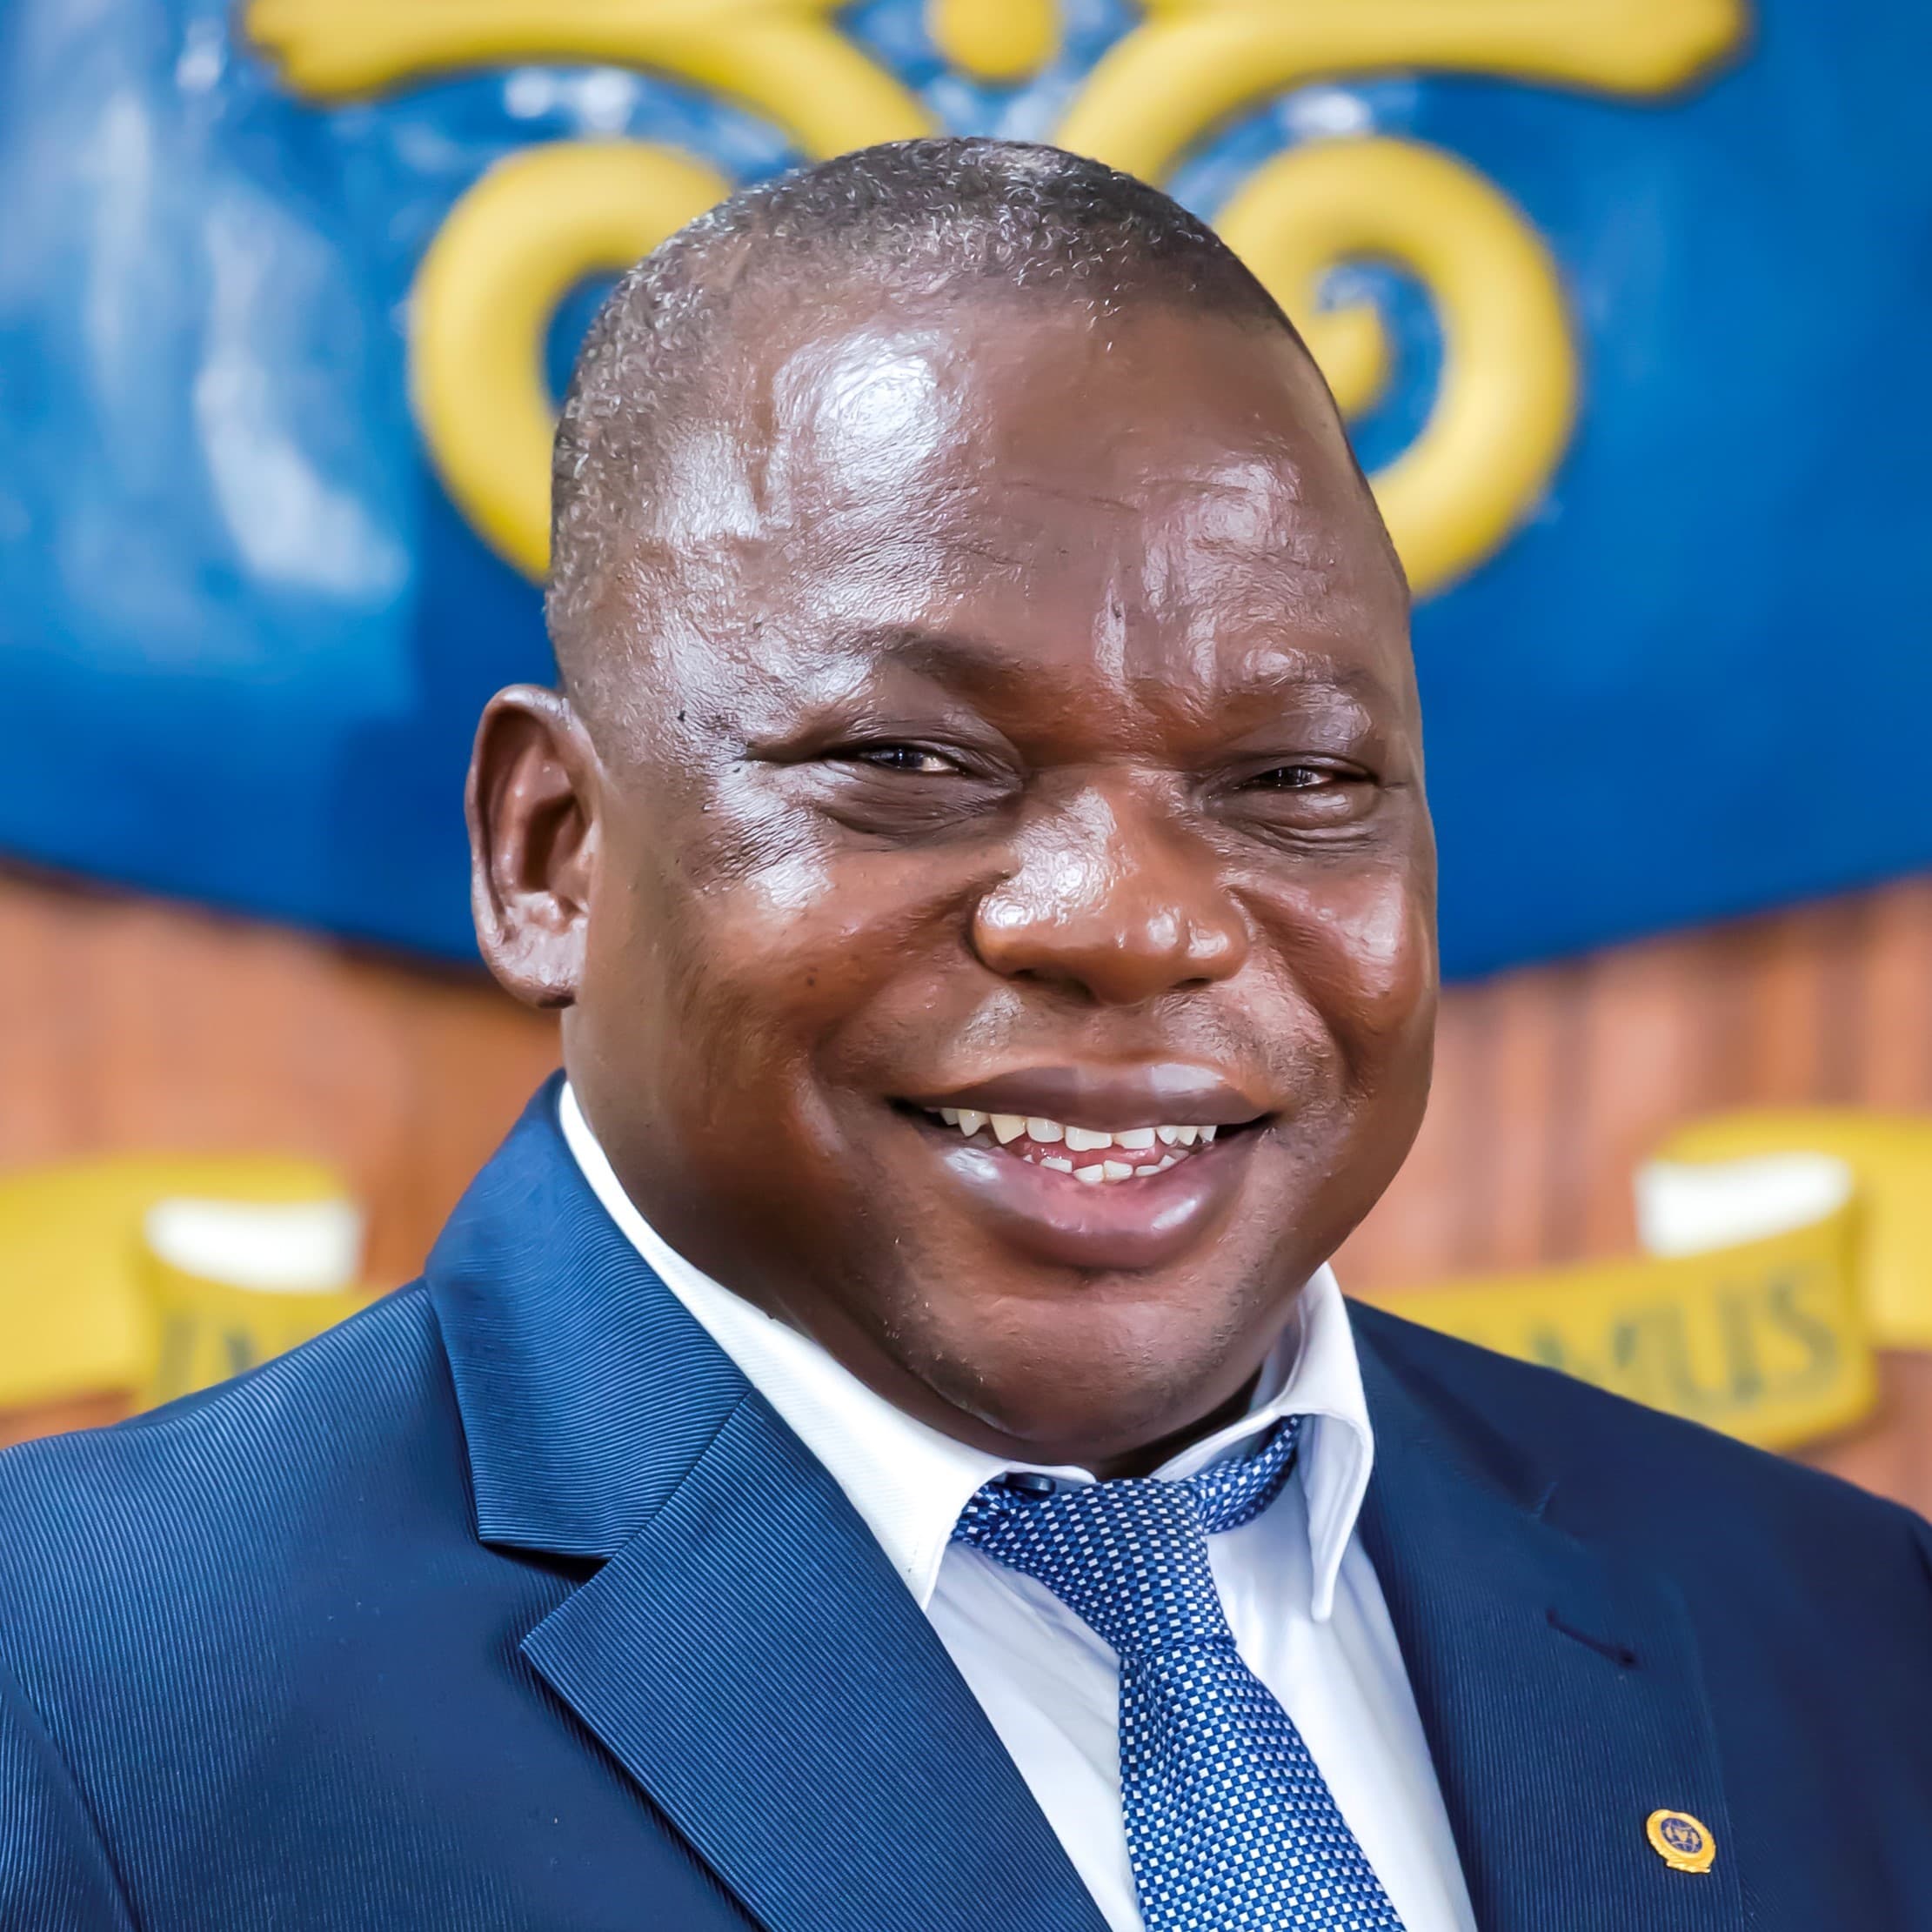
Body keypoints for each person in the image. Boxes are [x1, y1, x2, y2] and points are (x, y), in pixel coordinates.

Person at [3, 138, 1929, 1932]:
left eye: (1292, 778)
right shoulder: (78, 1692)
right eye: (911, 761)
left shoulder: (1841, 1629)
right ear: (552, 855)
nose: (1133, 921)